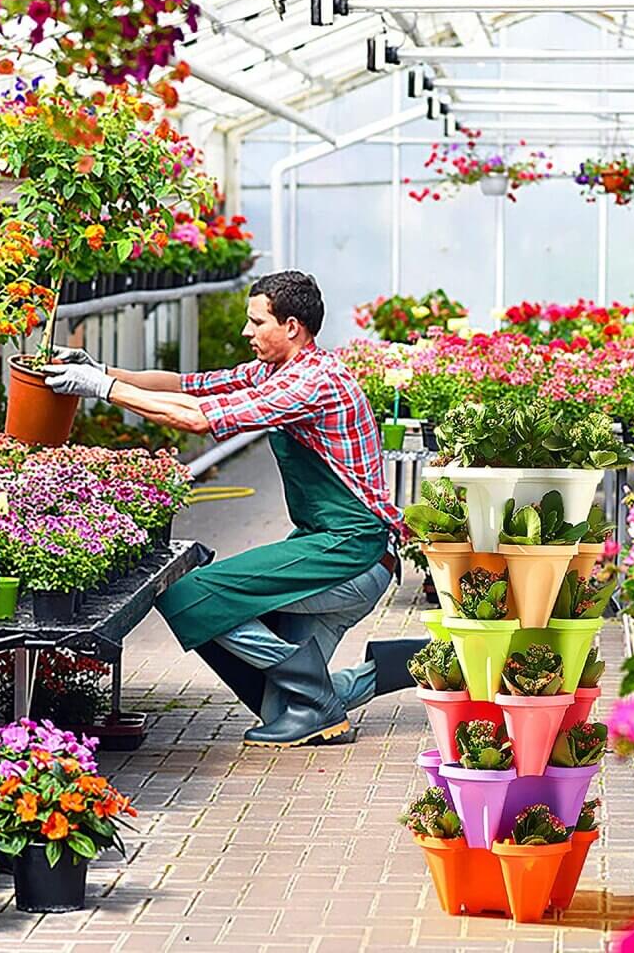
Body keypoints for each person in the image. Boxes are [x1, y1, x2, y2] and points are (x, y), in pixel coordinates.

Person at [44, 270, 424, 747]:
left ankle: (316, 696)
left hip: (351, 554)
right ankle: (396, 666)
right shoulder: (276, 370)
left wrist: (100, 391)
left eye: (256, 321)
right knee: (281, 706)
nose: (247, 332)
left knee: (189, 594)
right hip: (329, 547)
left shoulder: (312, 382)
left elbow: (197, 419)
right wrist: (102, 371)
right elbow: (187, 387)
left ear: (291, 326)